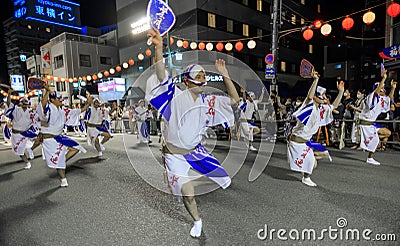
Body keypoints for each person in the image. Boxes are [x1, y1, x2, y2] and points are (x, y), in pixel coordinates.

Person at [146, 28, 240, 238]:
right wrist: (159, 48)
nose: (202, 78)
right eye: (197, 75)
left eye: (204, 75)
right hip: (175, 155)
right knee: (188, 194)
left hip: (195, 151)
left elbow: (234, 101)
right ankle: (197, 221)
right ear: (187, 80)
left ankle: (181, 181)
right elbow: (162, 75)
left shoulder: (209, 102)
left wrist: (225, 76)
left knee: (225, 180)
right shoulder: (176, 96)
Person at [287, 69, 344, 187]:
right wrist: (316, 80)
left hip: (307, 142)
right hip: (297, 141)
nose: (324, 97)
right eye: (321, 95)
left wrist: (341, 92)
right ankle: (306, 177)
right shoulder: (309, 105)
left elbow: (333, 106)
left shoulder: (322, 109)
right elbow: (309, 96)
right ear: (315, 97)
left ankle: (309, 159)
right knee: (312, 165)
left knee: (324, 154)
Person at [37, 84, 92, 187]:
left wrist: (88, 103)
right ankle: (63, 179)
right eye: (59, 98)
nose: (61, 100)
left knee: (75, 148)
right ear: (52, 100)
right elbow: (42, 106)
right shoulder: (49, 108)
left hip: (59, 137)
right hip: (49, 140)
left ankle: (61, 160)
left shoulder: (63, 111)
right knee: (60, 162)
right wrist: (47, 91)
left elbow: (79, 111)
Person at [359, 72, 396, 165]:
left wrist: (393, 88)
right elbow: (375, 93)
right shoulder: (370, 97)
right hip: (365, 123)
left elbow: (389, 99)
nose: (383, 90)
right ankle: (370, 157)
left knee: (387, 133)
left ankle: (370, 142)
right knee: (375, 140)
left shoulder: (381, 98)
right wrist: (383, 79)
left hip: (372, 124)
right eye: (381, 88)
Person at [5, 90, 41, 169]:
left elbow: (37, 118)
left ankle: (31, 149)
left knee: (40, 139)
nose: (25, 103)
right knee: (19, 151)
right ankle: (27, 163)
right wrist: (9, 94)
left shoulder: (30, 112)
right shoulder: (15, 110)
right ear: (20, 103)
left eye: (26, 102)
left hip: (25, 133)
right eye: (23, 102)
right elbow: (8, 104)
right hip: (16, 134)